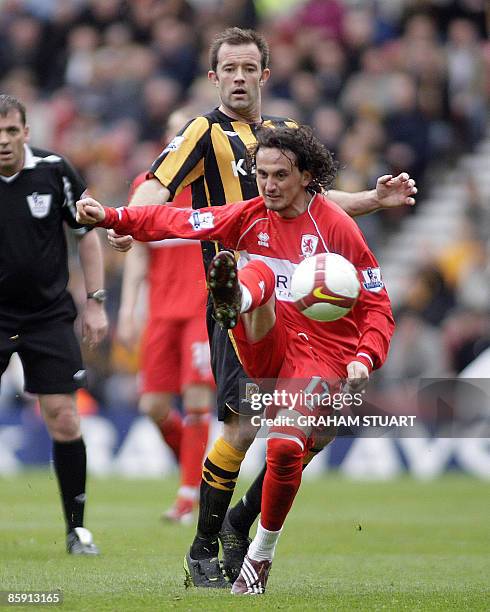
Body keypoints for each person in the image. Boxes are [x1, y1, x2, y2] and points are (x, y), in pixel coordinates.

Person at [107, 27, 415, 586]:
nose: (240, 78)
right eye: (230, 69)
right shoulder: (201, 130)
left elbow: (317, 201)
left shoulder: (287, 134)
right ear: (214, 76)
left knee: (313, 434)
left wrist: (372, 198)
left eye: (250, 68)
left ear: (265, 75)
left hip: (312, 311)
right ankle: (204, 548)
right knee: (246, 425)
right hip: (241, 305)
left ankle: (242, 521)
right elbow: (157, 185)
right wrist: (128, 222)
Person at [0, 94, 108, 554]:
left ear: (26, 131)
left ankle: (76, 529)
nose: (3, 141)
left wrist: (96, 301)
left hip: (47, 315)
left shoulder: (54, 169)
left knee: (63, 417)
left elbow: (86, 236)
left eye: (10, 131)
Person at [118, 166, 213, 523]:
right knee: (153, 406)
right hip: (160, 312)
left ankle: (188, 497)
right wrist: (129, 310)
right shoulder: (147, 186)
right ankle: (200, 472)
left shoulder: (213, 185)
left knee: (196, 398)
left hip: (202, 310)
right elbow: (138, 252)